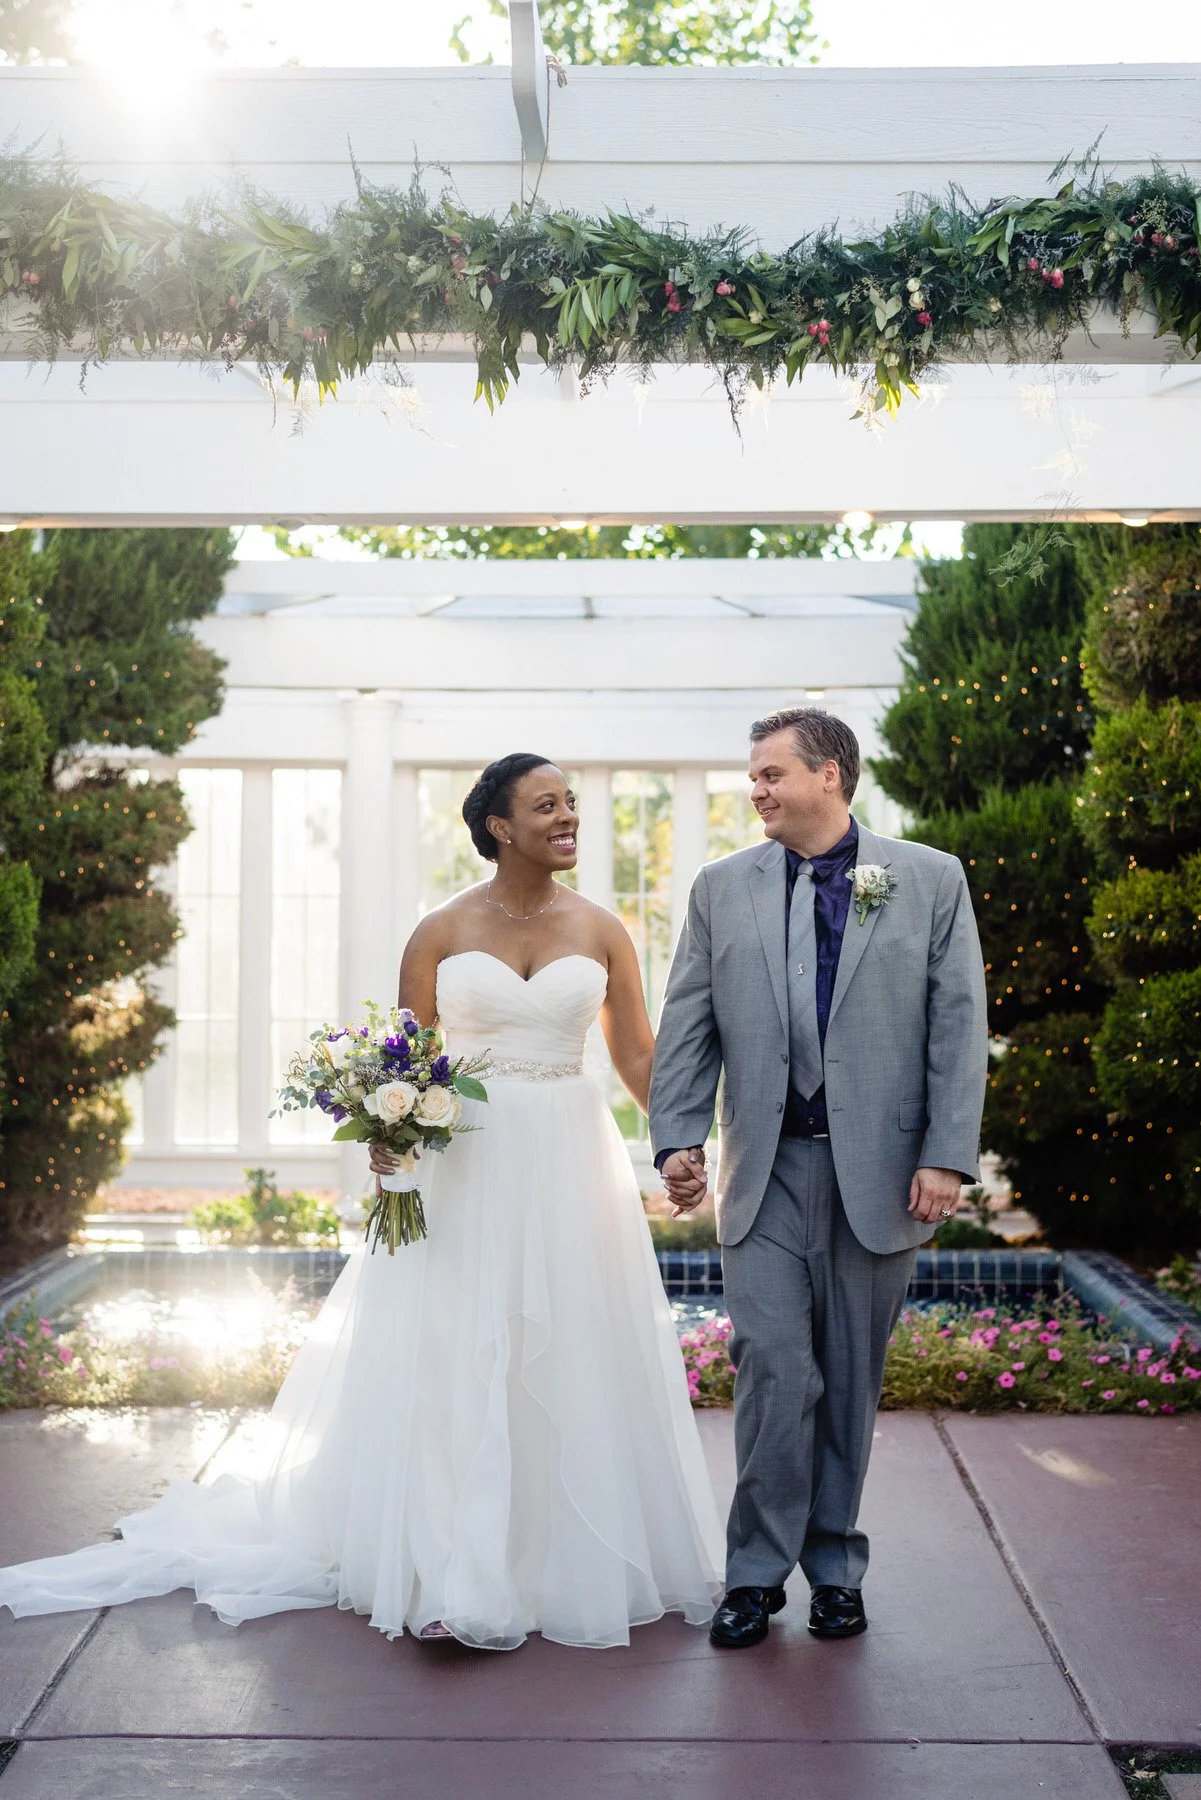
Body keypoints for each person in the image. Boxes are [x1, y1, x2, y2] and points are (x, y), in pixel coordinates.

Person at [0, 754, 723, 1652]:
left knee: (572, 1340)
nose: (567, 817)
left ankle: (564, 1561)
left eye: (570, 804)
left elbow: (638, 1057)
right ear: (498, 826)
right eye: (547, 805)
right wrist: (392, 1142)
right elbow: (407, 1066)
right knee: (456, 1350)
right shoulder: (439, 929)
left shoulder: (603, 928)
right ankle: (455, 1569)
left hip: (573, 1163)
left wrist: (678, 1143)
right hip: (469, 1162)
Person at [650, 708, 987, 1649]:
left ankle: (834, 1564)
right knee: (770, 1368)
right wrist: (675, 1137)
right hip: (764, 1170)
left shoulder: (928, 879)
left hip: (882, 1176)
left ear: (828, 775)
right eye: (751, 776)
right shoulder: (721, 888)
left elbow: (958, 1025)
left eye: (769, 774)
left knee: (848, 1377)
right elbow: (689, 1020)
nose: (753, 790)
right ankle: (754, 1574)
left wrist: (945, 1154)